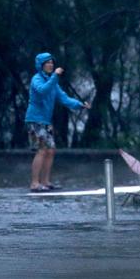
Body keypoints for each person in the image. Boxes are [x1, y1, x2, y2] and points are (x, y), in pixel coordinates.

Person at [25, 52, 91, 192]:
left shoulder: (52, 82)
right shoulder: (36, 79)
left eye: (51, 62)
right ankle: (34, 183)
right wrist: (55, 76)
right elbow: (42, 91)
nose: (50, 65)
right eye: (47, 63)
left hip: (46, 121)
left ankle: (45, 181)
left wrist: (80, 105)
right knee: (41, 149)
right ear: (41, 65)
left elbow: (64, 99)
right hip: (35, 120)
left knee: (51, 150)